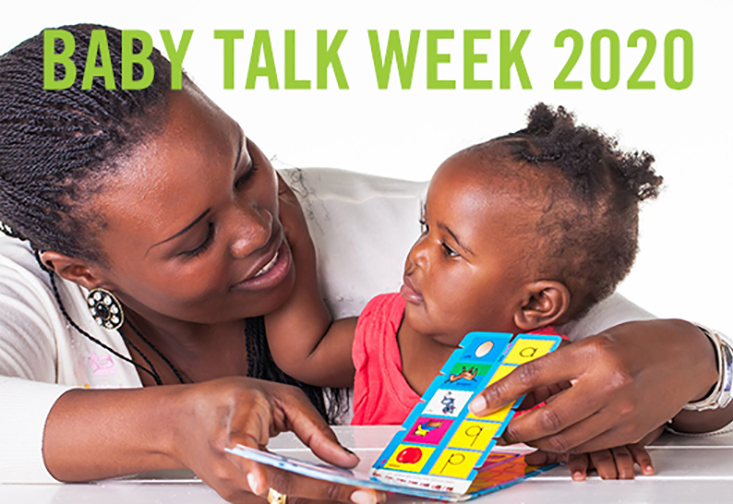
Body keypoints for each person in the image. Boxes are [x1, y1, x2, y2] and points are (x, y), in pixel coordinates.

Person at [0, 22, 729, 501]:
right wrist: (169, 422)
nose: (256, 228)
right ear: (80, 271)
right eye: (195, 239)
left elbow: (634, 360)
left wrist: (693, 359)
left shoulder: (432, 231)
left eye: (244, 166)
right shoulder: (24, 289)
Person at [266, 103, 668, 478]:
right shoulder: (388, 329)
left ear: (536, 303)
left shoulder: (551, 373)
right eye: (425, 229)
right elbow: (305, 353)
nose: (418, 255)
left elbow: (630, 413)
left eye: (449, 250)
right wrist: (292, 234)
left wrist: (610, 444)